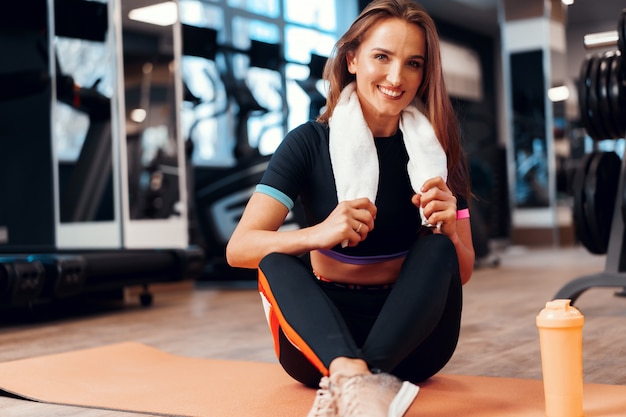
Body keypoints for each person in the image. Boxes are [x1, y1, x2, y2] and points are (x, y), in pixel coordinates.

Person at [226, 1, 475, 416]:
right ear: (352, 59)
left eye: (413, 63)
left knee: (437, 249)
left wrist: (448, 229)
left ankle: (355, 382)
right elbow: (239, 248)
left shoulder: (438, 151)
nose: (397, 78)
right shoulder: (307, 143)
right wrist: (318, 233)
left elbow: (460, 271)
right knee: (274, 258)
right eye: (382, 57)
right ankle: (356, 377)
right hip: (322, 342)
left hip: (414, 343)